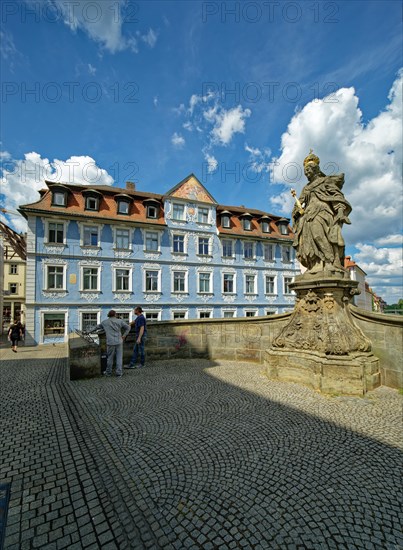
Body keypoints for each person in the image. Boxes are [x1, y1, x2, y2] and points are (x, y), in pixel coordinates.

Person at [292, 150, 352, 277]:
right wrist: (297, 210)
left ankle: (329, 262)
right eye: (305, 172)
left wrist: (340, 211)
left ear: (315, 169)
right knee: (306, 240)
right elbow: (300, 203)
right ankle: (315, 265)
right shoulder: (306, 188)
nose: (307, 174)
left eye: (309, 171)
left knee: (319, 235)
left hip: (322, 211)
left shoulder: (325, 181)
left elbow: (336, 196)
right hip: (307, 215)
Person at [89, 310, 131, 377]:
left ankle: (108, 372)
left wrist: (88, 331)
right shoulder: (119, 321)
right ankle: (119, 373)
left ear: (108, 315)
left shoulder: (105, 322)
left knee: (110, 358)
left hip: (110, 342)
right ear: (115, 315)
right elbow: (128, 327)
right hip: (119, 341)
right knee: (119, 357)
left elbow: (96, 327)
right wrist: (124, 335)